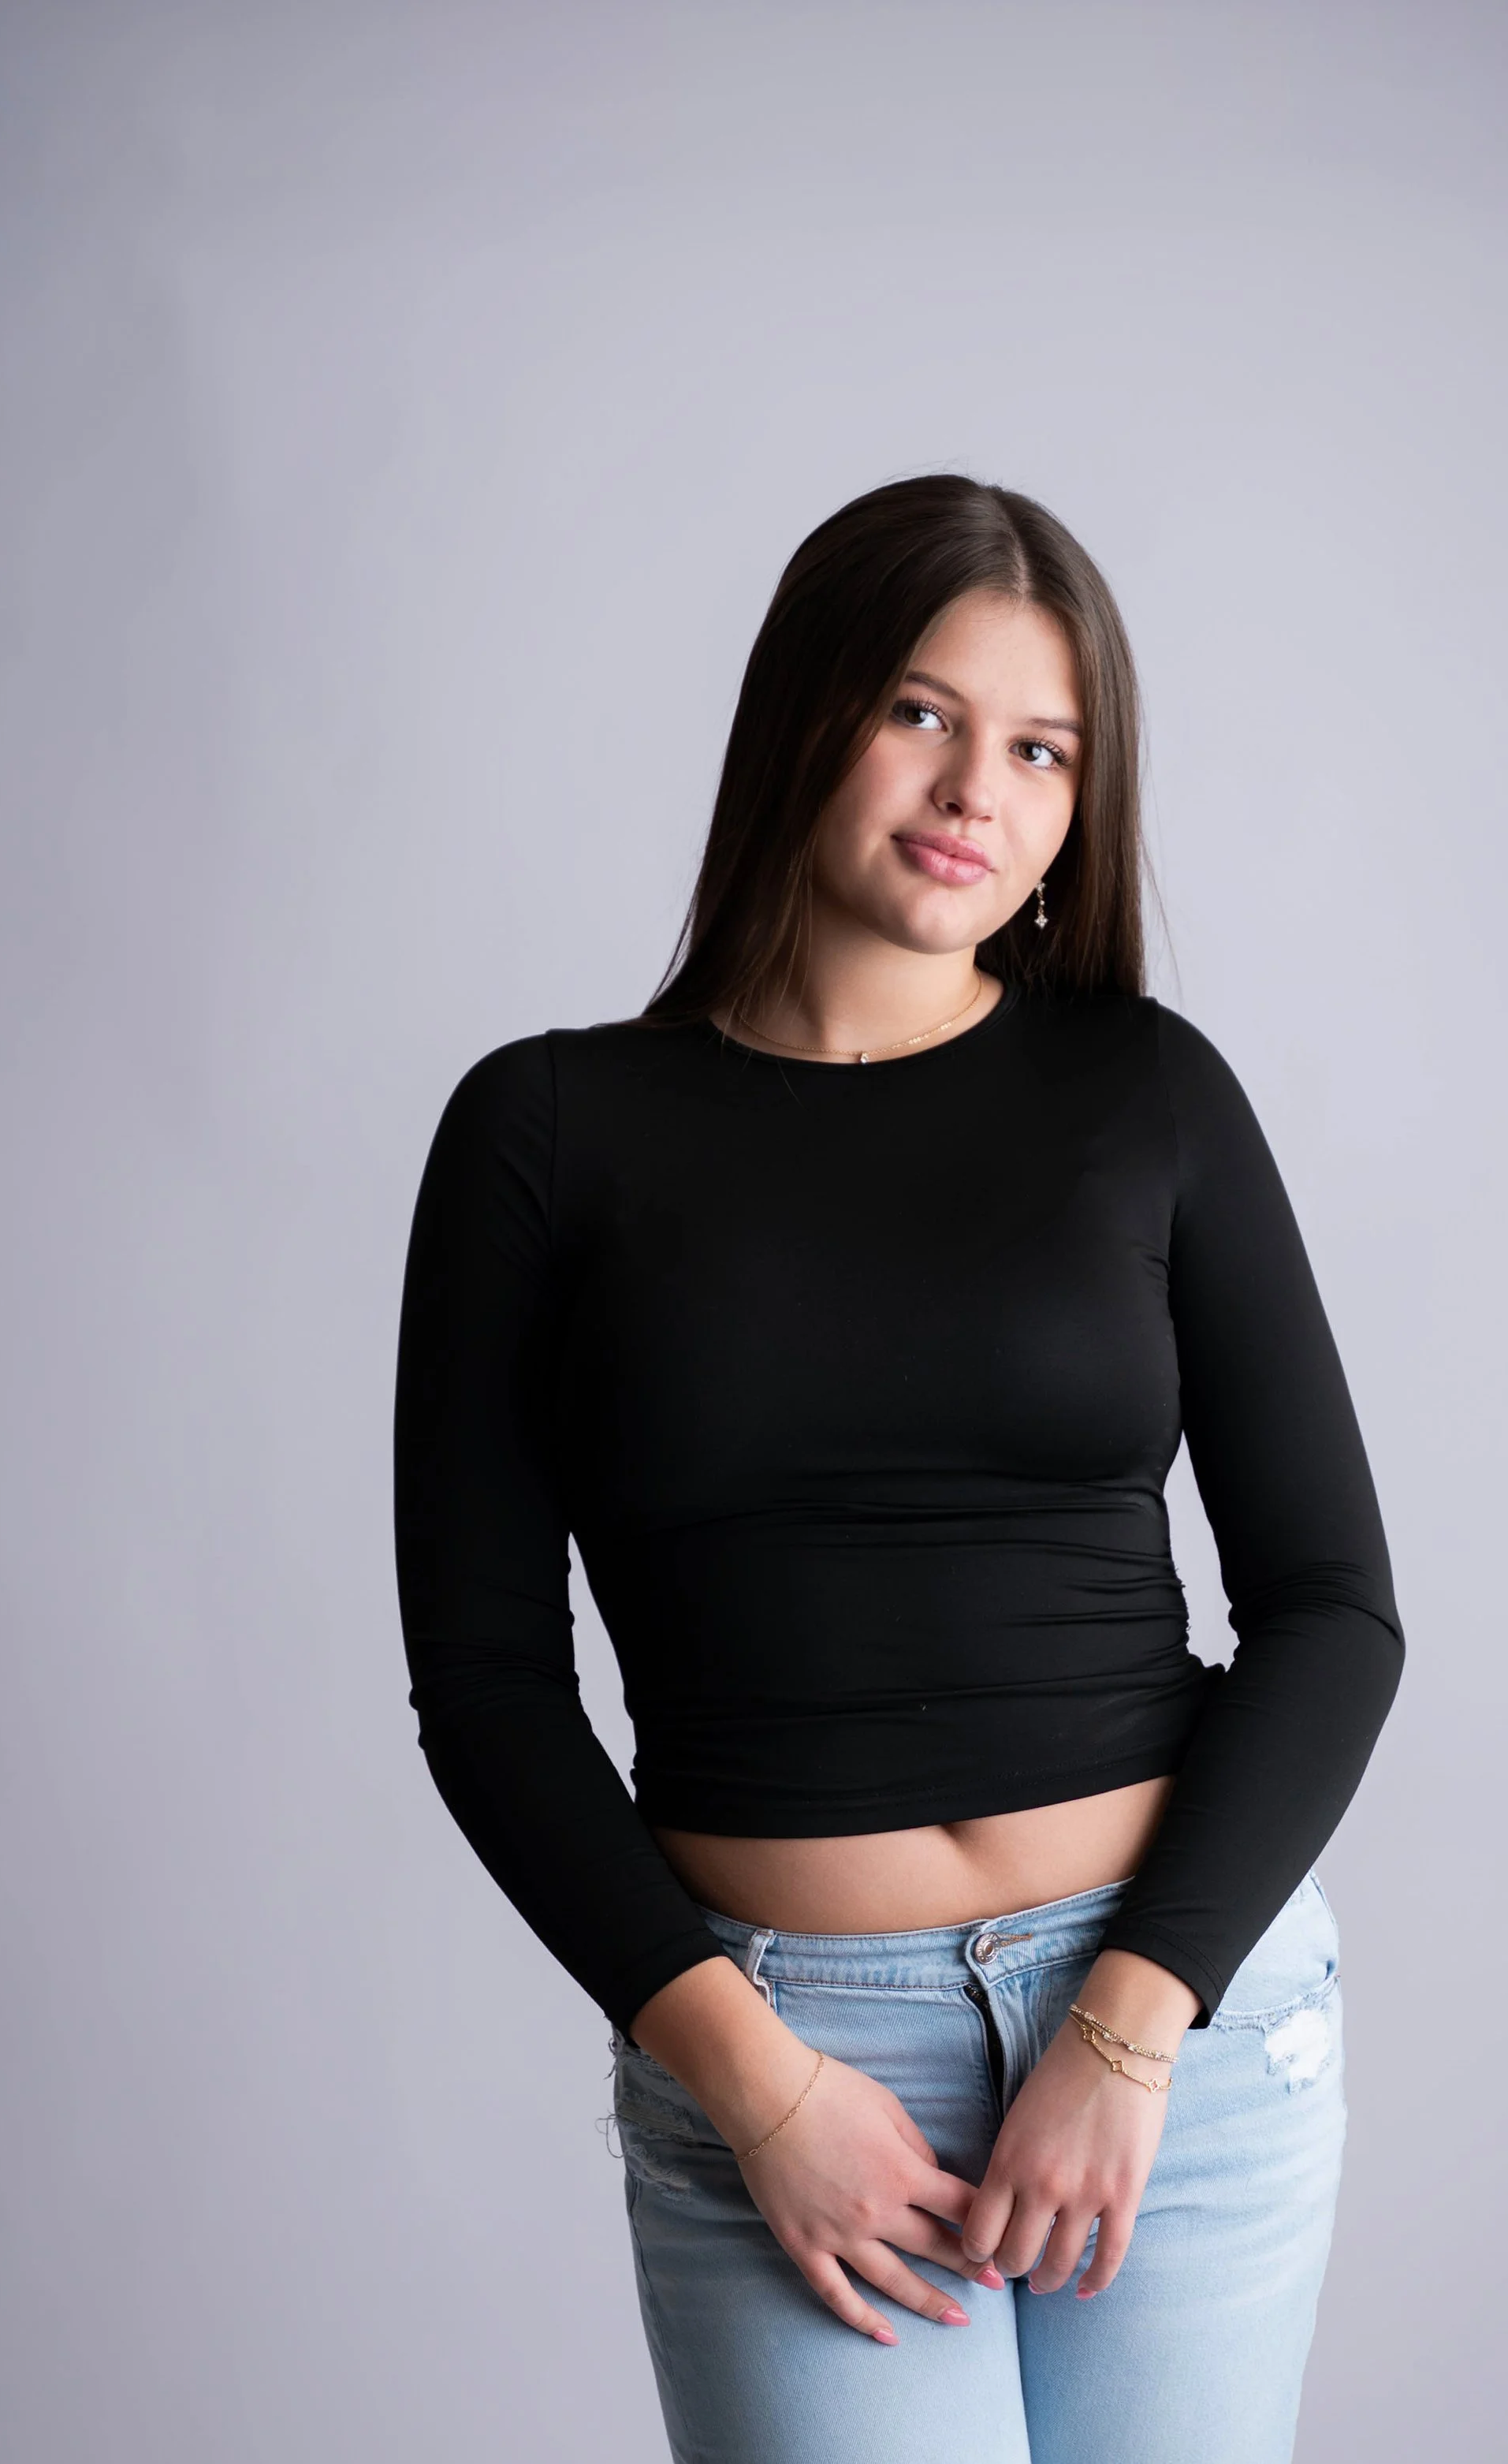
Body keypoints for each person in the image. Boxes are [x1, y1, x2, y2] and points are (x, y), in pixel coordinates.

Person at [393, 473, 1404, 2463]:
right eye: (923, 713)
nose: (978, 788)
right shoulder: (545, 1133)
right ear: (804, 712)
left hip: (1177, 2025)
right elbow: (489, 1692)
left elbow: (1331, 1610)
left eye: (1042, 748)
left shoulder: (1144, 1093)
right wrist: (755, 2086)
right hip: (779, 2046)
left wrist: (1127, 2028)